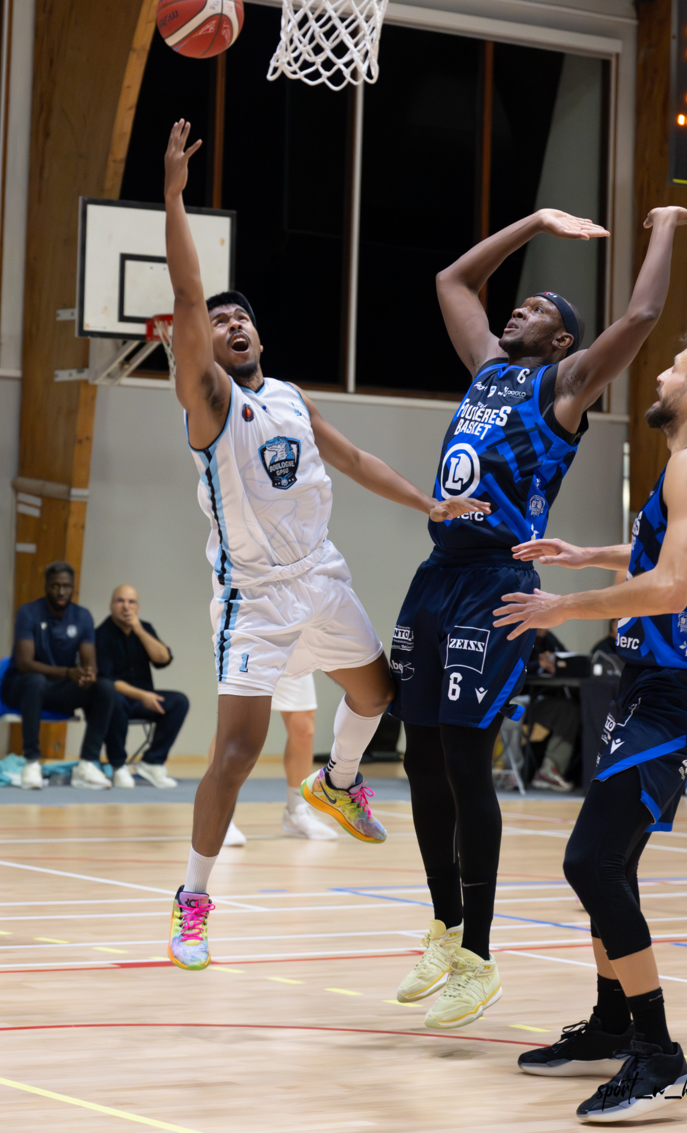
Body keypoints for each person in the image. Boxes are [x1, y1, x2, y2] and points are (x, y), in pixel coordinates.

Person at [162, 119, 489, 971]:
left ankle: (337, 782)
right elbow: (189, 300)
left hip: (323, 578)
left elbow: (355, 459)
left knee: (382, 694)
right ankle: (193, 901)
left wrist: (429, 501)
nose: (230, 324)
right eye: (219, 321)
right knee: (236, 755)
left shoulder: (292, 397)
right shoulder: (210, 402)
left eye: (242, 318)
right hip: (256, 599)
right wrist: (173, 197)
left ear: (260, 337)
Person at [389, 204, 687, 1030]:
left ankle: (479, 955)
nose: (518, 309)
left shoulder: (561, 387)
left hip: (497, 580)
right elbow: (452, 280)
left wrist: (663, 227)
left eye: (537, 309)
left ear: (563, 341)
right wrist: (532, 222)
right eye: (520, 303)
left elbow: (641, 314)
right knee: (420, 756)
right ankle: (444, 928)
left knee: (466, 760)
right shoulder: (487, 369)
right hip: (436, 574)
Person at [496, 333, 687, 1121]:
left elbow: (672, 586)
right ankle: (612, 1022)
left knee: (591, 862)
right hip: (655, 679)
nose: (659, 375)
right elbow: (667, 552)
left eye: (674, 368)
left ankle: (658, 1056)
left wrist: (562, 607)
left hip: (677, 687)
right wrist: (587, 555)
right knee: (612, 860)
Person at [2, 562, 126, 790]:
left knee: (105, 688)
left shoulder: (82, 616)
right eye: (55, 586)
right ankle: (31, 762)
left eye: (66, 586)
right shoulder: (28, 612)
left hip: (59, 687)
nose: (61, 592)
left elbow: (90, 663)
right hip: (21, 686)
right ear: (46, 586)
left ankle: (87, 764)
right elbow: (25, 663)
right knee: (36, 681)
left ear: (73, 587)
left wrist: (88, 676)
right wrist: (69, 673)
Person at [223, 670, 338, 843]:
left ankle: (297, 811)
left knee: (304, 729)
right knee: (236, 728)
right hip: (248, 655)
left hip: (292, 656)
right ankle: (220, 817)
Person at [95, 584, 188, 789]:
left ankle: (152, 762)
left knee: (179, 702)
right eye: (120, 601)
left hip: (144, 700)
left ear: (137, 607)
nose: (126, 606)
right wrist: (142, 695)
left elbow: (163, 658)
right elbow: (107, 681)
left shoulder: (144, 628)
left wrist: (139, 630)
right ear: (111, 605)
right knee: (114, 701)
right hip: (118, 698)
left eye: (131, 602)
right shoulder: (101, 634)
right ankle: (118, 766)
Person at [526, 629, 580, 793]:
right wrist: (538, 665)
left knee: (569, 710)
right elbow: (507, 667)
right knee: (512, 712)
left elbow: (567, 660)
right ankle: (509, 771)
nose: (543, 628)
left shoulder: (549, 639)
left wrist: (556, 665)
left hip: (539, 699)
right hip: (513, 698)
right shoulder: (518, 635)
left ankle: (549, 770)